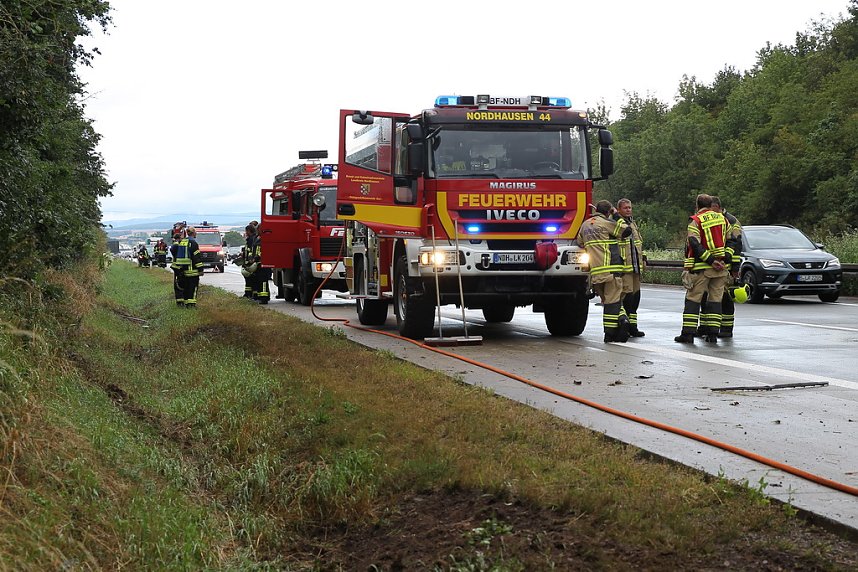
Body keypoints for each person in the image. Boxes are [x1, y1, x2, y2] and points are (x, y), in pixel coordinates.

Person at [675, 194, 729, 344]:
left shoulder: (696, 221)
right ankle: (712, 334)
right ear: (711, 204)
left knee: (693, 299)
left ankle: (688, 334)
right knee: (715, 300)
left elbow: (694, 243)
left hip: (701, 268)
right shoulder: (722, 218)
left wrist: (710, 260)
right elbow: (732, 240)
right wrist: (725, 259)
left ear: (697, 204)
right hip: (721, 268)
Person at [577, 200, 632, 343]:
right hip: (611, 270)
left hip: (596, 273)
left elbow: (580, 243)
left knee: (608, 300)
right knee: (612, 302)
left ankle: (622, 319)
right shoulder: (606, 223)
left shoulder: (585, 225)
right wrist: (616, 215)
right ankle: (610, 333)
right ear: (608, 212)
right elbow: (627, 230)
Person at [616, 198, 646, 337]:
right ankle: (624, 325)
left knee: (635, 298)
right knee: (626, 298)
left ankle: (633, 326)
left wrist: (644, 258)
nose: (628, 210)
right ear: (619, 210)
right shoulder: (617, 223)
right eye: (625, 208)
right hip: (625, 267)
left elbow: (639, 243)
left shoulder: (632, 223)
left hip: (636, 267)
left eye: (630, 207)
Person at [171, 226, 204, 308]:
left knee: (186, 288)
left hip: (183, 270)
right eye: (195, 232)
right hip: (192, 270)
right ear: (193, 233)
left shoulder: (183, 241)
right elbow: (196, 257)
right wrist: (200, 269)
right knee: (193, 288)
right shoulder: (193, 243)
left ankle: (186, 303)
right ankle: (192, 305)